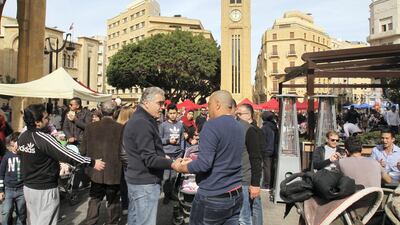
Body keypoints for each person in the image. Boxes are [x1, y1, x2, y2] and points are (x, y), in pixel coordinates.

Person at [18, 103, 105, 225]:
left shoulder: (22, 136)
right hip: (44, 189)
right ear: (37, 122)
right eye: (46, 118)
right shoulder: (43, 138)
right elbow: (67, 154)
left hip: (29, 188)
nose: (49, 120)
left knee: (34, 221)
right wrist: (91, 161)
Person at [175, 90, 245, 225]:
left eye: (210, 104)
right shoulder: (239, 126)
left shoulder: (211, 125)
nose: (208, 108)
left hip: (213, 196)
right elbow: (222, 157)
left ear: (217, 105)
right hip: (235, 194)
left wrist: (181, 167)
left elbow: (204, 165)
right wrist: (195, 160)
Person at [123, 87, 181, 225]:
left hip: (139, 180)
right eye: (159, 103)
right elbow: (149, 158)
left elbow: (147, 150)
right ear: (146, 102)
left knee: (136, 220)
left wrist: (164, 157)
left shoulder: (143, 119)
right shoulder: (142, 122)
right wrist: (173, 163)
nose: (162, 107)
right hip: (144, 182)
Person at [81, 101, 124, 225]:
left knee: (95, 198)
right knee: (113, 200)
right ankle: (113, 222)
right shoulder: (121, 128)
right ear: (115, 112)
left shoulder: (90, 127)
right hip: (114, 170)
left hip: (95, 169)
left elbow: (82, 150)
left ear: (100, 111)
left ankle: (91, 222)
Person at [236, 103, 263, 225]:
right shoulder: (241, 128)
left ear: (249, 115)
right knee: (253, 208)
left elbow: (256, 158)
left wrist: (255, 183)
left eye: (240, 114)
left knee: (248, 213)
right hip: (246, 176)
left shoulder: (252, 130)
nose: (238, 116)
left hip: (249, 176)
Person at [63, 97, 92, 190]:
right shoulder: (68, 113)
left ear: (78, 105)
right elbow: (65, 127)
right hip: (71, 143)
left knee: (80, 165)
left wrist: (75, 119)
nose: (69, 106)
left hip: (82, 142)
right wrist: (69, 136)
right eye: (69, 104)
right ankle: (70, 184)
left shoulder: (87, 113)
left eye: (71, 104)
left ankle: (77, 187)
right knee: (71, 164)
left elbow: (87, 126)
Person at [159, 103, 184, 204]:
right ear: (167, 114)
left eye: (174, 113)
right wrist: (168, 141)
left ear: (177, 113)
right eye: (171, 113)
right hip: (166, 154)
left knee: (173, 176)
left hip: (177, 154)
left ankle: (171, 193)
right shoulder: (163, 125)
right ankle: (166, 194)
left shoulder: (180, 125)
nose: (173, 115)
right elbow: (159, 140)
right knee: (165, 177)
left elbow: (182, 138)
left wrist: (182, 151)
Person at [0, 132, 26, 225]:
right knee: (6, 212)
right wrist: (1, 190)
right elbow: (1, 174)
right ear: (11, 143)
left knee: (22, 214)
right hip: (8, 190)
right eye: (16, 142)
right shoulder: (7, 157)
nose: (19, 145)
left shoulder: (25, 156)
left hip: (22, 190)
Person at [116, 105, 135, 215]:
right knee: (128, 184)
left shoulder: (116, 126)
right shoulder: (129, 127)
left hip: (116, 159)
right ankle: (128, 206)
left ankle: (124, 206)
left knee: (122, 184)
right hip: (127, 160)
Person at [260, 111, 279, 190]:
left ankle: (266, 184)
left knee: (266, 168)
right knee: (272, 167)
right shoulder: (274, 127)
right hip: (274, 150)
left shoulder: (264, 128)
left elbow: (262, 140)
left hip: (267, 150)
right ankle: (272, 183)